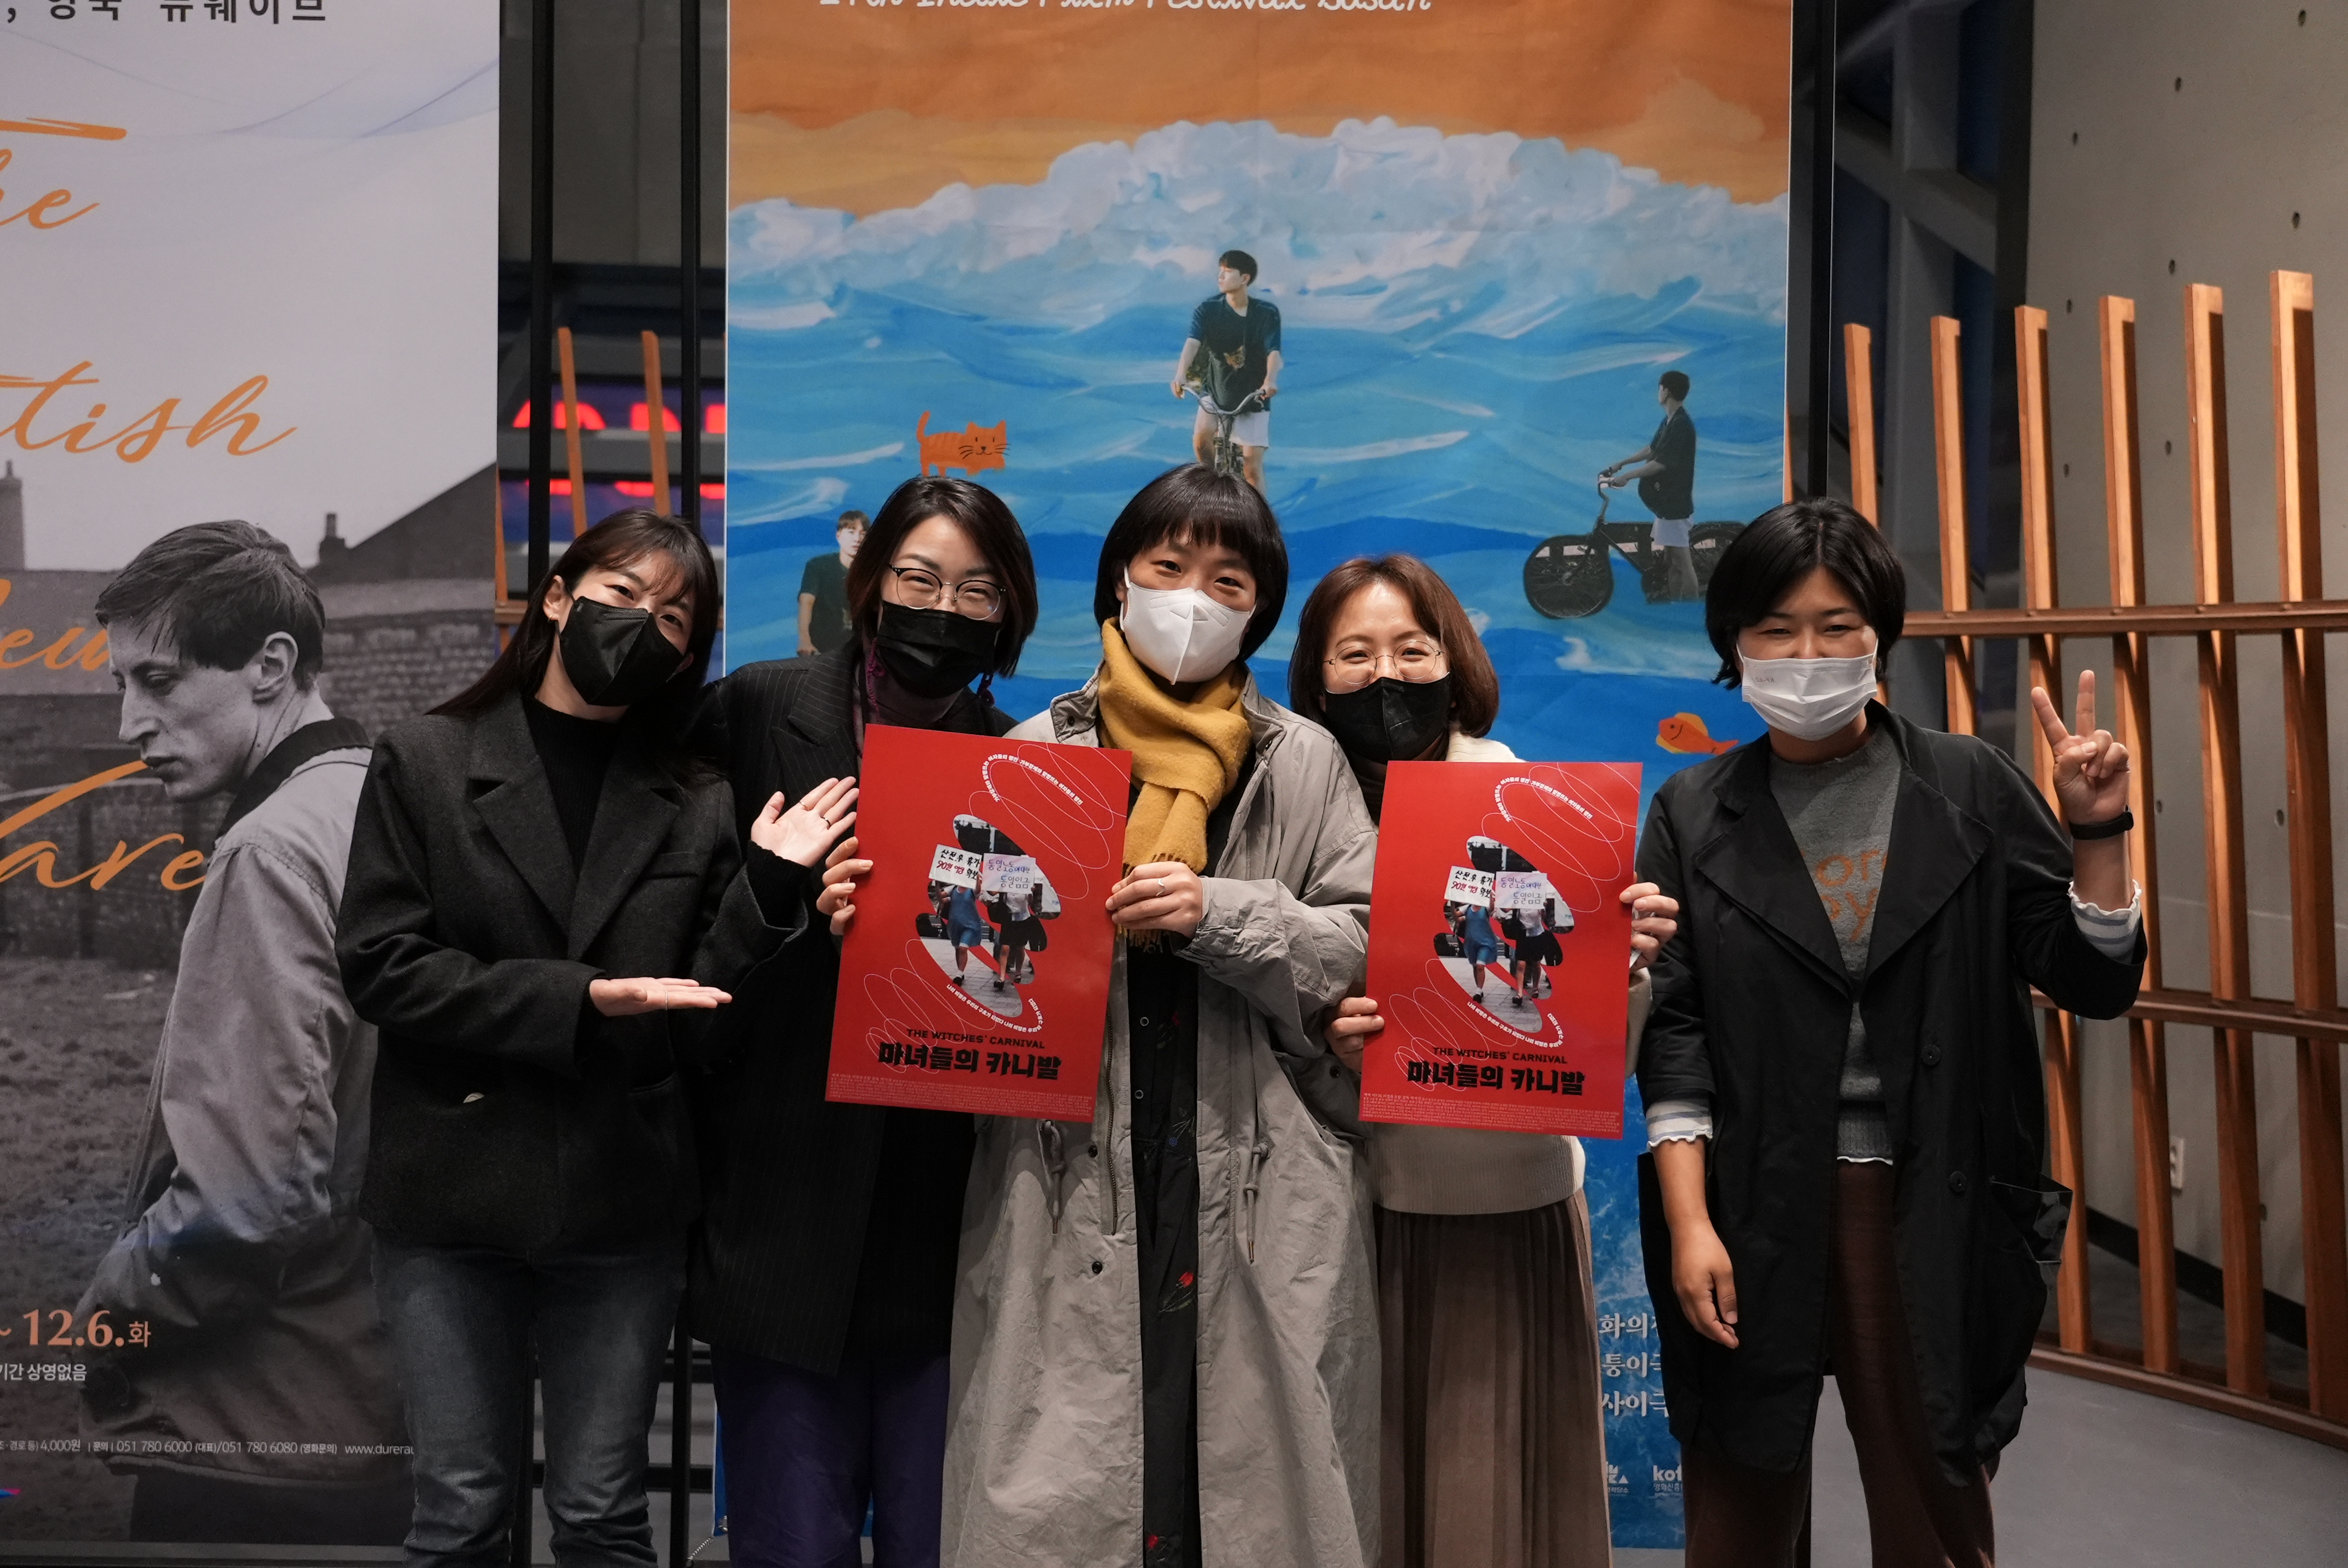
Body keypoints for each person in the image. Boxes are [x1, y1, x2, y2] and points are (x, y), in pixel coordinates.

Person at [1634, 498, 2145, 1568]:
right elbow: (1675, 1034)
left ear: (1879, 636)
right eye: (1776, 628)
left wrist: (2098, 828)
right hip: (1754, 1199)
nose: (1806, 655)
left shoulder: (1969, 785)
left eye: (1836, 627)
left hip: (1931, 1198)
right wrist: (1689, 1223)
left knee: (1934, 1512)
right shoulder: (1691, 809)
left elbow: (2093, 979)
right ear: (1733, 641)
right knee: (1737, 1505)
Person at [336, 508, 845, 1568]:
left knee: (605, 1516)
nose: (645, 625)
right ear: (560, 598)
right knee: (461, 1512)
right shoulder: (424, 759)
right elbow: (382, 965)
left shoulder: (697, 798)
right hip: (448, 1194)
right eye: (624, 595)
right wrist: (582, 999)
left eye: (675, 618)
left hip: (623, 1197)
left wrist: (769, 883)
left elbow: (709, 1001)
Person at [888, 463, 1372, 1568]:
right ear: (1119, 580)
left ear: (1260, 607)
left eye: (1228, 580)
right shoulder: (1031, 757)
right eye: (1168, 566)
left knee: (1251, 1499)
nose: (1193, 598)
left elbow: (1361, 945)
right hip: (1065, 1176)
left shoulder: (1301, 759)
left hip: (1255, 1185)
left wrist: (1221, 913)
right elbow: (959, 971)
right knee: (1070, 1489)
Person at [1288, 554, 1678, 1568]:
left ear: (1453, 663)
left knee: (1490, 1511)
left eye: (1411, 650)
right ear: (1316, 680)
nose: (1385, 675)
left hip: (1508, 1208)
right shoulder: (1285, 814)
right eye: (1354, 654)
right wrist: (1326, 1031)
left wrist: (1625, 965)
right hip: (1343, 1216)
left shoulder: (1533, 812)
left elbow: (1599, 1060)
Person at [688, 474, 1038, 1568]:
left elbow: (1033, 995)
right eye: (919, 578)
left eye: (976, 590)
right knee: (792, 1544)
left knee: (947, 1543)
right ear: (871, 582)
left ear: (1009, 613)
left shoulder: (1028, 770)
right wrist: (787, 900)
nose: (944, 608)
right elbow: (678, 943)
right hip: (783, 1212)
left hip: (949, 1223)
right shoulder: (755, 708)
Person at [74, 522, 408, 1544]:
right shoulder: (385, 802)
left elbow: (250, 1195)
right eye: (122, 685)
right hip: (386, 1398)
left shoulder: (269, 852)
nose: (131, 722)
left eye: (159, 681)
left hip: (256, 1431)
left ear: (270, 666)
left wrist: (101, 1318)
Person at [1170, 249, 1282, 492]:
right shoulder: (1208, 310)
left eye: (1228, 272)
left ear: (1245, 279)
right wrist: (1181, 374)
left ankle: (1258, 512)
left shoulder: (1266, 313)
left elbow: (1274, 352)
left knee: (1251, 468)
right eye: (1220, 271)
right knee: (1201, 440)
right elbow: (1193, 343)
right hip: (1216, 391)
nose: (1220, 276)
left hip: (1253, 397)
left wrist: (1270, 381)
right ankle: (1213, 487)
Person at [1602, 370, 1700, 601]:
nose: (1658, 392)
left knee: (1683, 564)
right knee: (1672, 563)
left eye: (1660, 388)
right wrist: (1622, 463)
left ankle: (1692, 610)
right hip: (1667, 503)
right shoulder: (1670, 421)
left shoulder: (1681, 425)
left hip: (1675, 504)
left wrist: (1628, 477)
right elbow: (1652, 449)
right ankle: (1676, 605)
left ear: (1666, 391)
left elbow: (1661, 463)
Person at [800, 508, 868, 656]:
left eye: (863, 534)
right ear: (839, 536)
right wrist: (804, 641)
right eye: (851, 532)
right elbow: (807, 601)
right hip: (821, 649)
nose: (857, 539)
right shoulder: (818, 566)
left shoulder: (872, 572)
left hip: (859, 651)